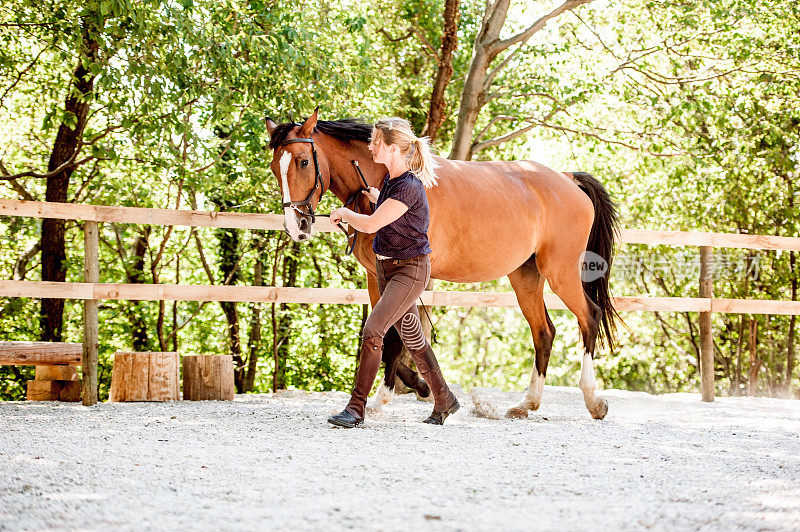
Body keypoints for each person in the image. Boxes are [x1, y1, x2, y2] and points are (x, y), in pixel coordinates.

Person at [327, 117, 460, 428]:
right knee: (413, 339)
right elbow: (390, 211)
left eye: (375, 142)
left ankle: (356, 408)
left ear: (390, 148)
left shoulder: (408, 186)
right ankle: (445, 400)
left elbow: (373, 224)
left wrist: (346, 213)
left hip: (410, 271)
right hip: (387, 268)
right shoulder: (391, 182)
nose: (371, 146)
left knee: (374, 330)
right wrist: (377, 199)